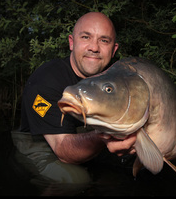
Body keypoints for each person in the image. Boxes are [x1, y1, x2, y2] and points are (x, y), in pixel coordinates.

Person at [10, 12, 137, 196]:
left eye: (104, 40)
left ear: (114, 49)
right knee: (75, 181)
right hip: (43, 145)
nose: (94, 47)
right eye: (86, 37)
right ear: (71, 42)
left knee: (137, 166)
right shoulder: (45, 81)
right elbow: (63, 151)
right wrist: (107, 136)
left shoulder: (118, 80)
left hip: (87, 136)